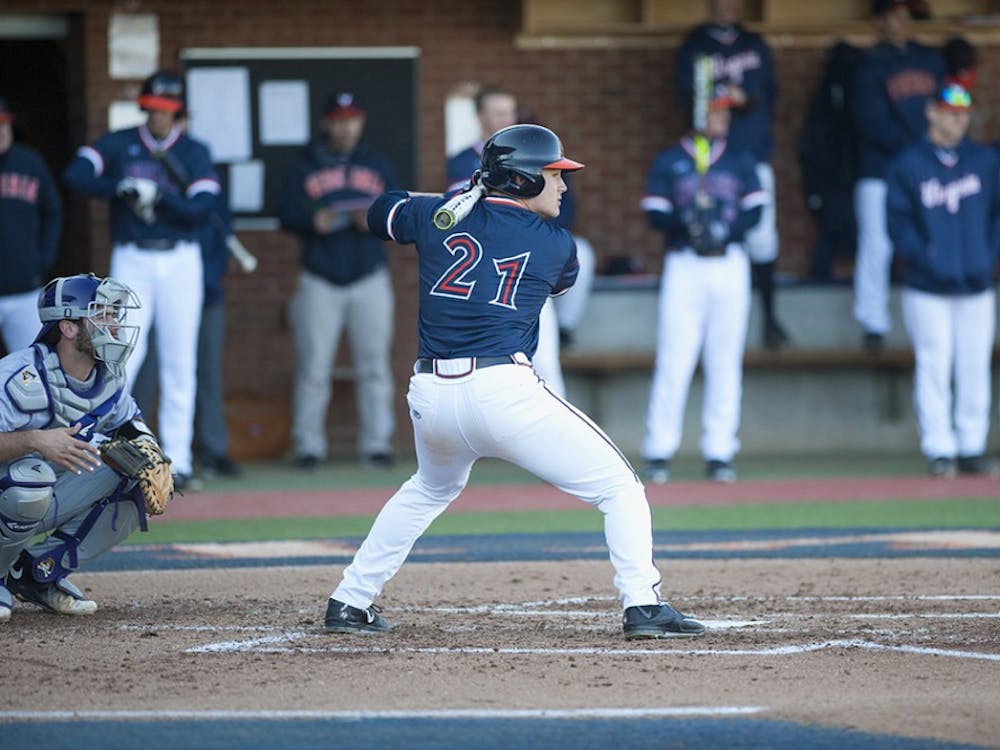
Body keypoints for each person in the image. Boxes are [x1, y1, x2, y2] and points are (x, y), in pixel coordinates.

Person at [323, 124, 705, 640]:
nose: (563, 187)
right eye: (552, 175)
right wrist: (472, 199)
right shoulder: (556, 244)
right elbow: (557, 276)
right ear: (523, 181)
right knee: (621, 488)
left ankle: (350, 600)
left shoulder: (436, 219)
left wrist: (454, 200)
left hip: (431, 397)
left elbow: (380, 211)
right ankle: (643, 604)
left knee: (429, 488)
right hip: (502, 391)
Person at [62, 71, 221, 490]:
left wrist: (159, 195)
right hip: (132, 257)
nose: (159, 118)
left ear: (178, 112)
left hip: (181, 257)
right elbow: (76, 175)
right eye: (153, 110)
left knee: (179, 359)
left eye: (167, 111)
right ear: (145, 108)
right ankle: (104, 452)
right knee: (121, 355)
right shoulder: (118, 142)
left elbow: (202, 208)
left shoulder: (193, 150)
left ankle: (180, 461)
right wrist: (121, 187)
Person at [0, 273, 159, 621]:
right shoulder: (19, 376)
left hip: (42, 492)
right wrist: (34, 440)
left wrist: (154, 457)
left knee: (135, 474)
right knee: (31, 477)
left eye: (114, 315)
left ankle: (38, 573)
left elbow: (130, 425)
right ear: (69, 328)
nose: (114, 324)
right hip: (13, 487)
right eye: (102, 314)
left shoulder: (109, 375)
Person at [640, 89, 765, 484]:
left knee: (724, 360)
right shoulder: (671, 159)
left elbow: (756, 210)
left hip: (729, 264)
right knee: (675, 360)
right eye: (716, 111)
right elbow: (655, 213)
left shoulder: (740, 159)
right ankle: (659, 450)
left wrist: (725, 229)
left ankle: (720, 450)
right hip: (685, 265)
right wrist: (688, 224)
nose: (723, 118)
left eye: (727, 113)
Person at [279, 92, 399, 470]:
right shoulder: (304, 163)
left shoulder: (377, 163)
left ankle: (377, 444)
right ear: (326, 122)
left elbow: (400, 212)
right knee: (314, 367)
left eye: (352, 119)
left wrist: (375, 222)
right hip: (320, 277)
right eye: (339, 119)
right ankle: (308, 446)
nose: (346, 127)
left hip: (369, 275)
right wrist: (311, 222)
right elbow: (284, 211)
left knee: (375, 366)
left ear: (360, 122)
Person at [886, 83, 1000, 478]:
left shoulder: (985, 161)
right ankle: (939, 447)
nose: (958, 119)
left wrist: (988, 254)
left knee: (974, 366)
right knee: (934, 364)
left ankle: (971, 446)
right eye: (951, 112)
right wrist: (925, 256)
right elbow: (897, 224)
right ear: (932, 112)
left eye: (964, 112)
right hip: (927, 286)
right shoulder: (908, 163)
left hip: (976, 282)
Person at [675, 0, 788, 349]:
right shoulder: (695, 45)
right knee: (705, 224)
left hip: (751, 153)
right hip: (708, 157)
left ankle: (769, 318)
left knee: (762, 235)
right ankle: (706, 327)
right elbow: (686, 94)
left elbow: (771, 94)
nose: (727, 7)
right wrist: (722, 96)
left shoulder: (755, 44)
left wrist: (745, 98)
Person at [850, 0, 944, 351]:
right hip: (880, 168)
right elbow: (869, 120)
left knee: (933, 235)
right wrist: (917, 147)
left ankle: (934, 309)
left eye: (907, 16)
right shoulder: (867, 65)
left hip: (927, 165)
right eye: (896, 16)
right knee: (877, 242)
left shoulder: (931, 59)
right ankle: (873, 321)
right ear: (879, 21)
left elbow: (946, 106)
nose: (903, 22)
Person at [0, 96, 63, 353]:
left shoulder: (30, 162)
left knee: (32, 373)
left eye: (3, 125)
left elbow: (54, 211)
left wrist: (43, 259)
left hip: (25, 289)